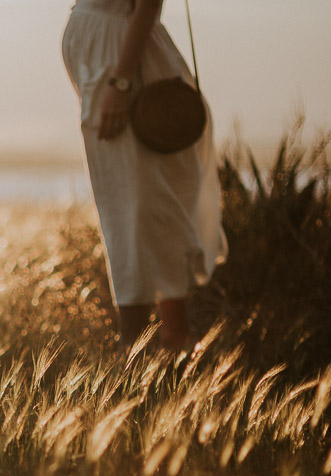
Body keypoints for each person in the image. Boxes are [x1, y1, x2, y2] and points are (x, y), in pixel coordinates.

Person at [62, 0, 227, 351]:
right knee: (131, 207)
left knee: (137, 209)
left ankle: (139, 350)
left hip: (122, 63)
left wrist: (121, 81)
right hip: (105, 58)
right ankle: (170, 342)